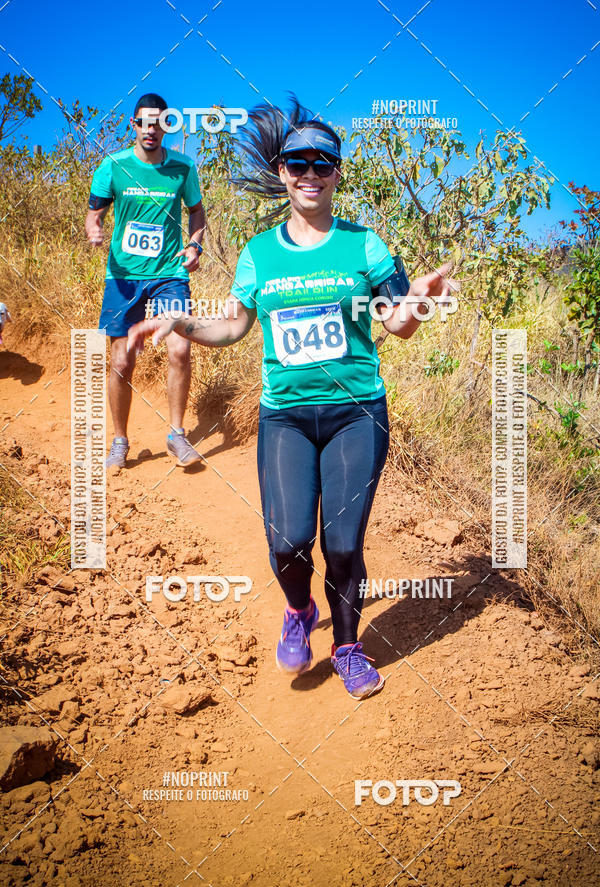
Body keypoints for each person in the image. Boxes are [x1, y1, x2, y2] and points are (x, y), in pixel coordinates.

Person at [127, 99, 455, 699]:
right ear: (281, 171)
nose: (310, 173)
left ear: (336, 171)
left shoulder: (365, 246)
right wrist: (180, 323)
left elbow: (396, 325)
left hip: (358, 413)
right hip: (285, 417)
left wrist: (423, 299)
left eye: (322, 163)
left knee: (343, 541)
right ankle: (299, 608)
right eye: (298, 162)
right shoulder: (260, 253)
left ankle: (349, 647)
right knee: (287, 541)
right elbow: (231, 327)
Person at [85, 92, 206, 469]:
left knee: (180, 349)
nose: (151, 130)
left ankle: (177, 434)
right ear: (133, 125)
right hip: (123, 278)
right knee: (122, 362)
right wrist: (95, 231)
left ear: (166, 127)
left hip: (169, 274)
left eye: (160, 123)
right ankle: (119, 441)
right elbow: (94, 213)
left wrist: (194, 246)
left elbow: (197, 214)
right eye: (144, 122)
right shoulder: (112, 166)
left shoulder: (183, 169)